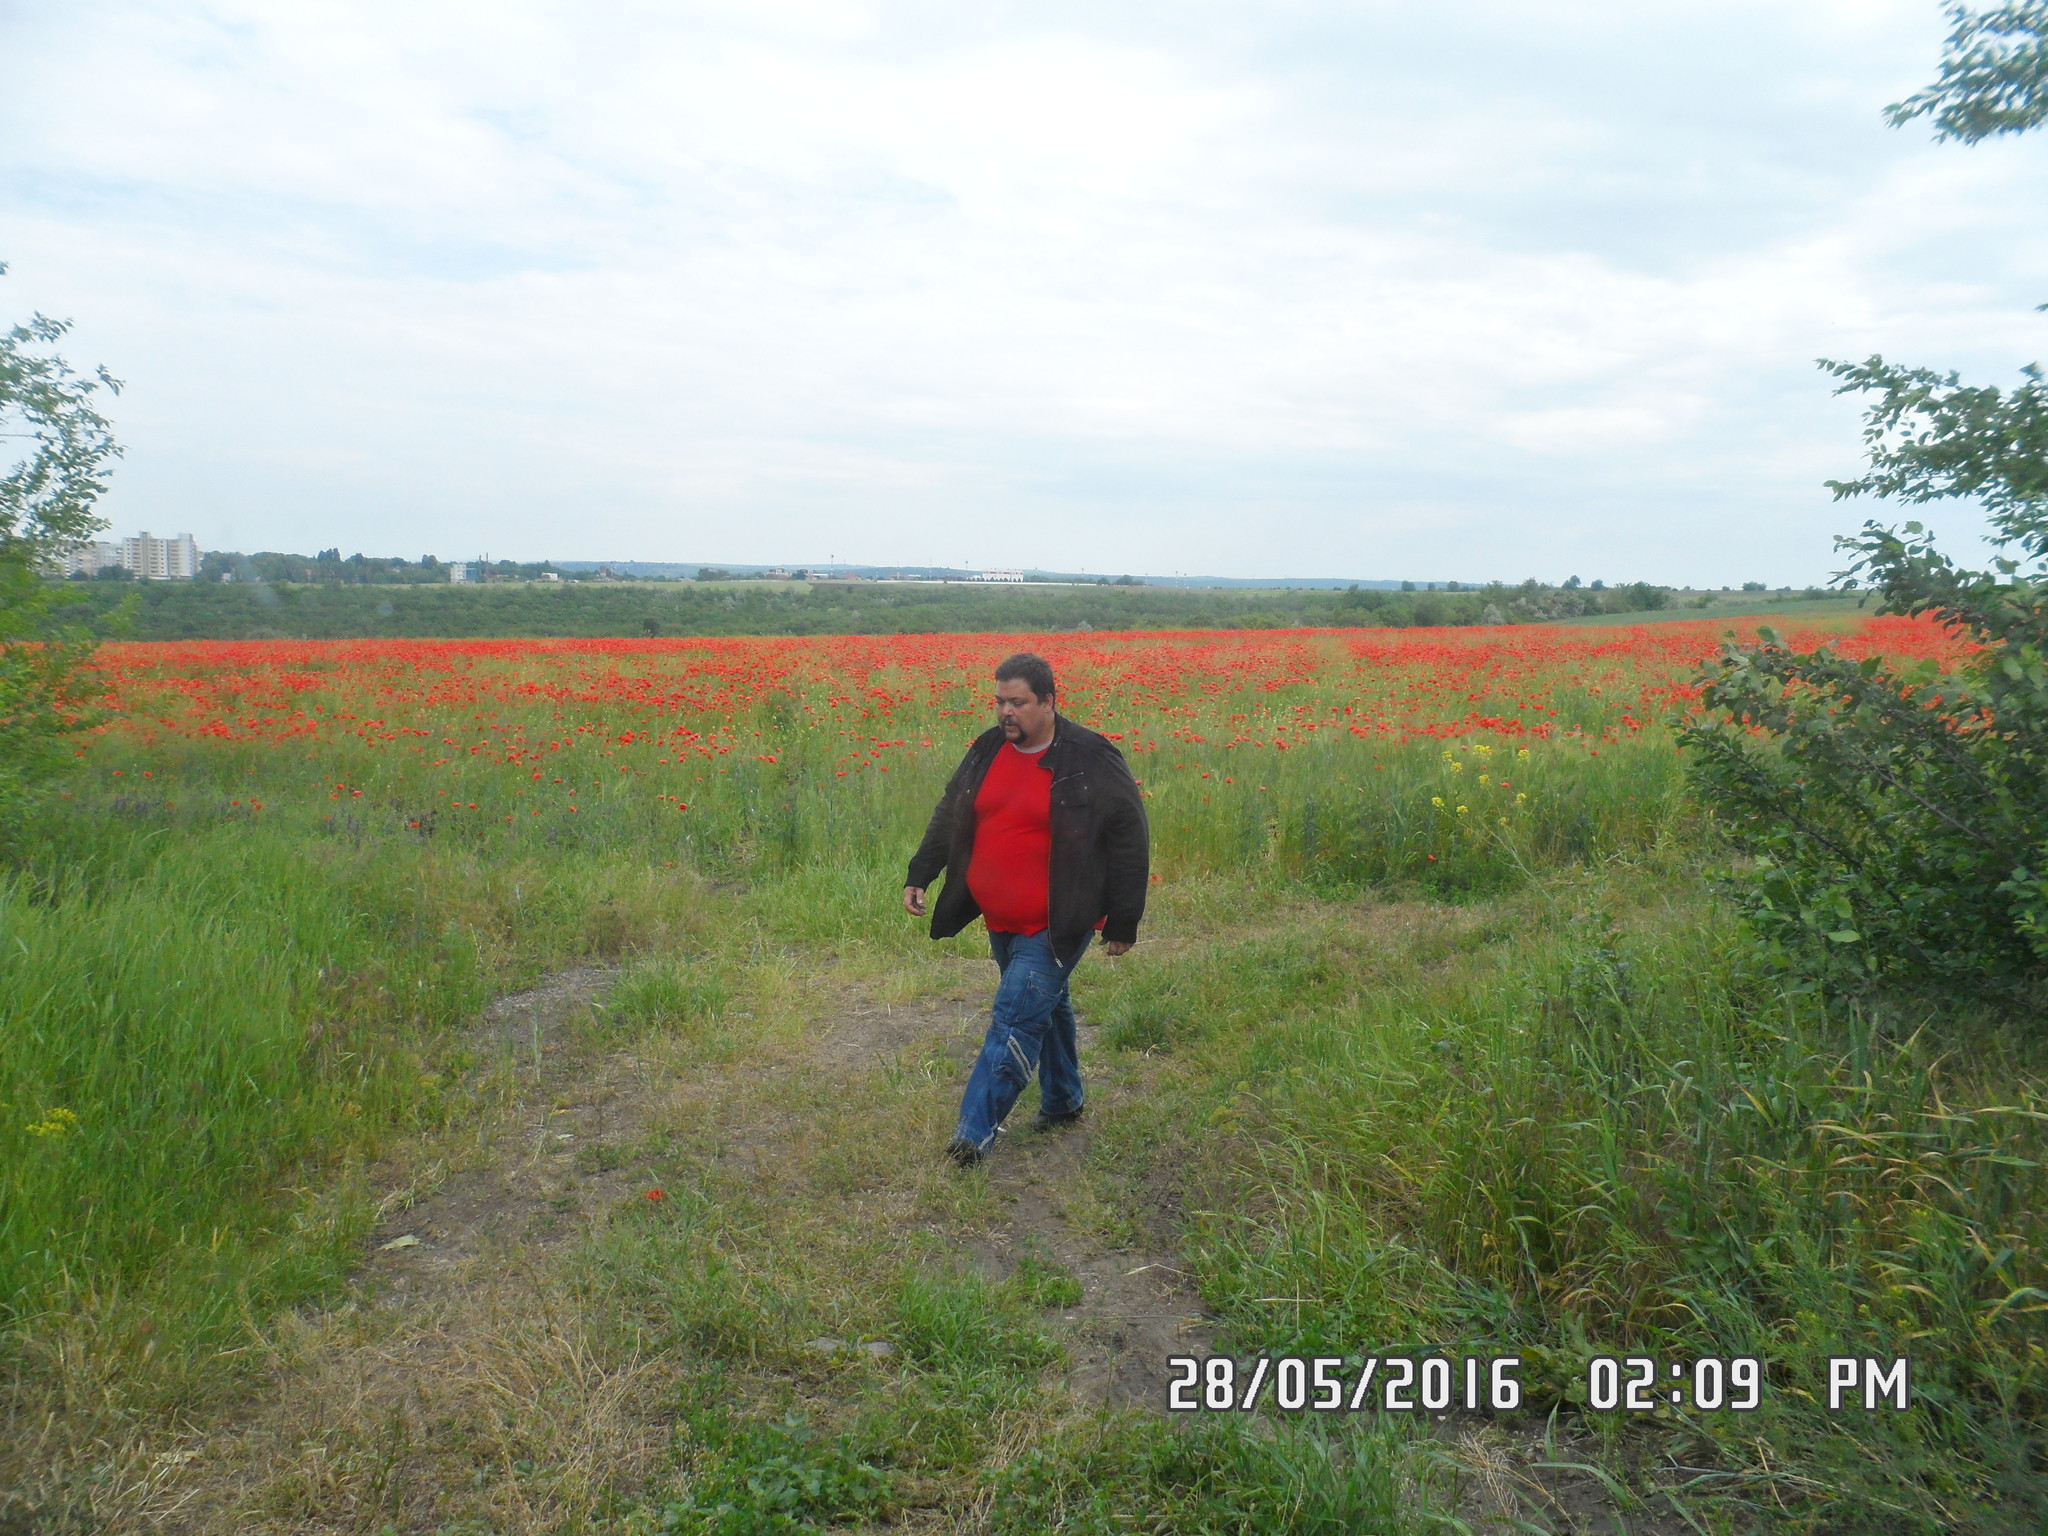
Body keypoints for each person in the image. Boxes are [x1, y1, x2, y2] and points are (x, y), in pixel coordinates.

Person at [904, 652, 1150, 1166]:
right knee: (1046, 1004)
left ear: (1048, 702)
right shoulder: (987, 749)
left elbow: (1130, 836)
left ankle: (972, 1136)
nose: (1005, 712)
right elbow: (951, 813)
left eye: (1017, 702)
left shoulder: (1089, 755)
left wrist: (1123, 920)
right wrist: (920, 873)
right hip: (1001, 918)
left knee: (1015, 1017)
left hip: (1059, 920)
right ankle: (1063, 1099)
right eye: (999, 702)